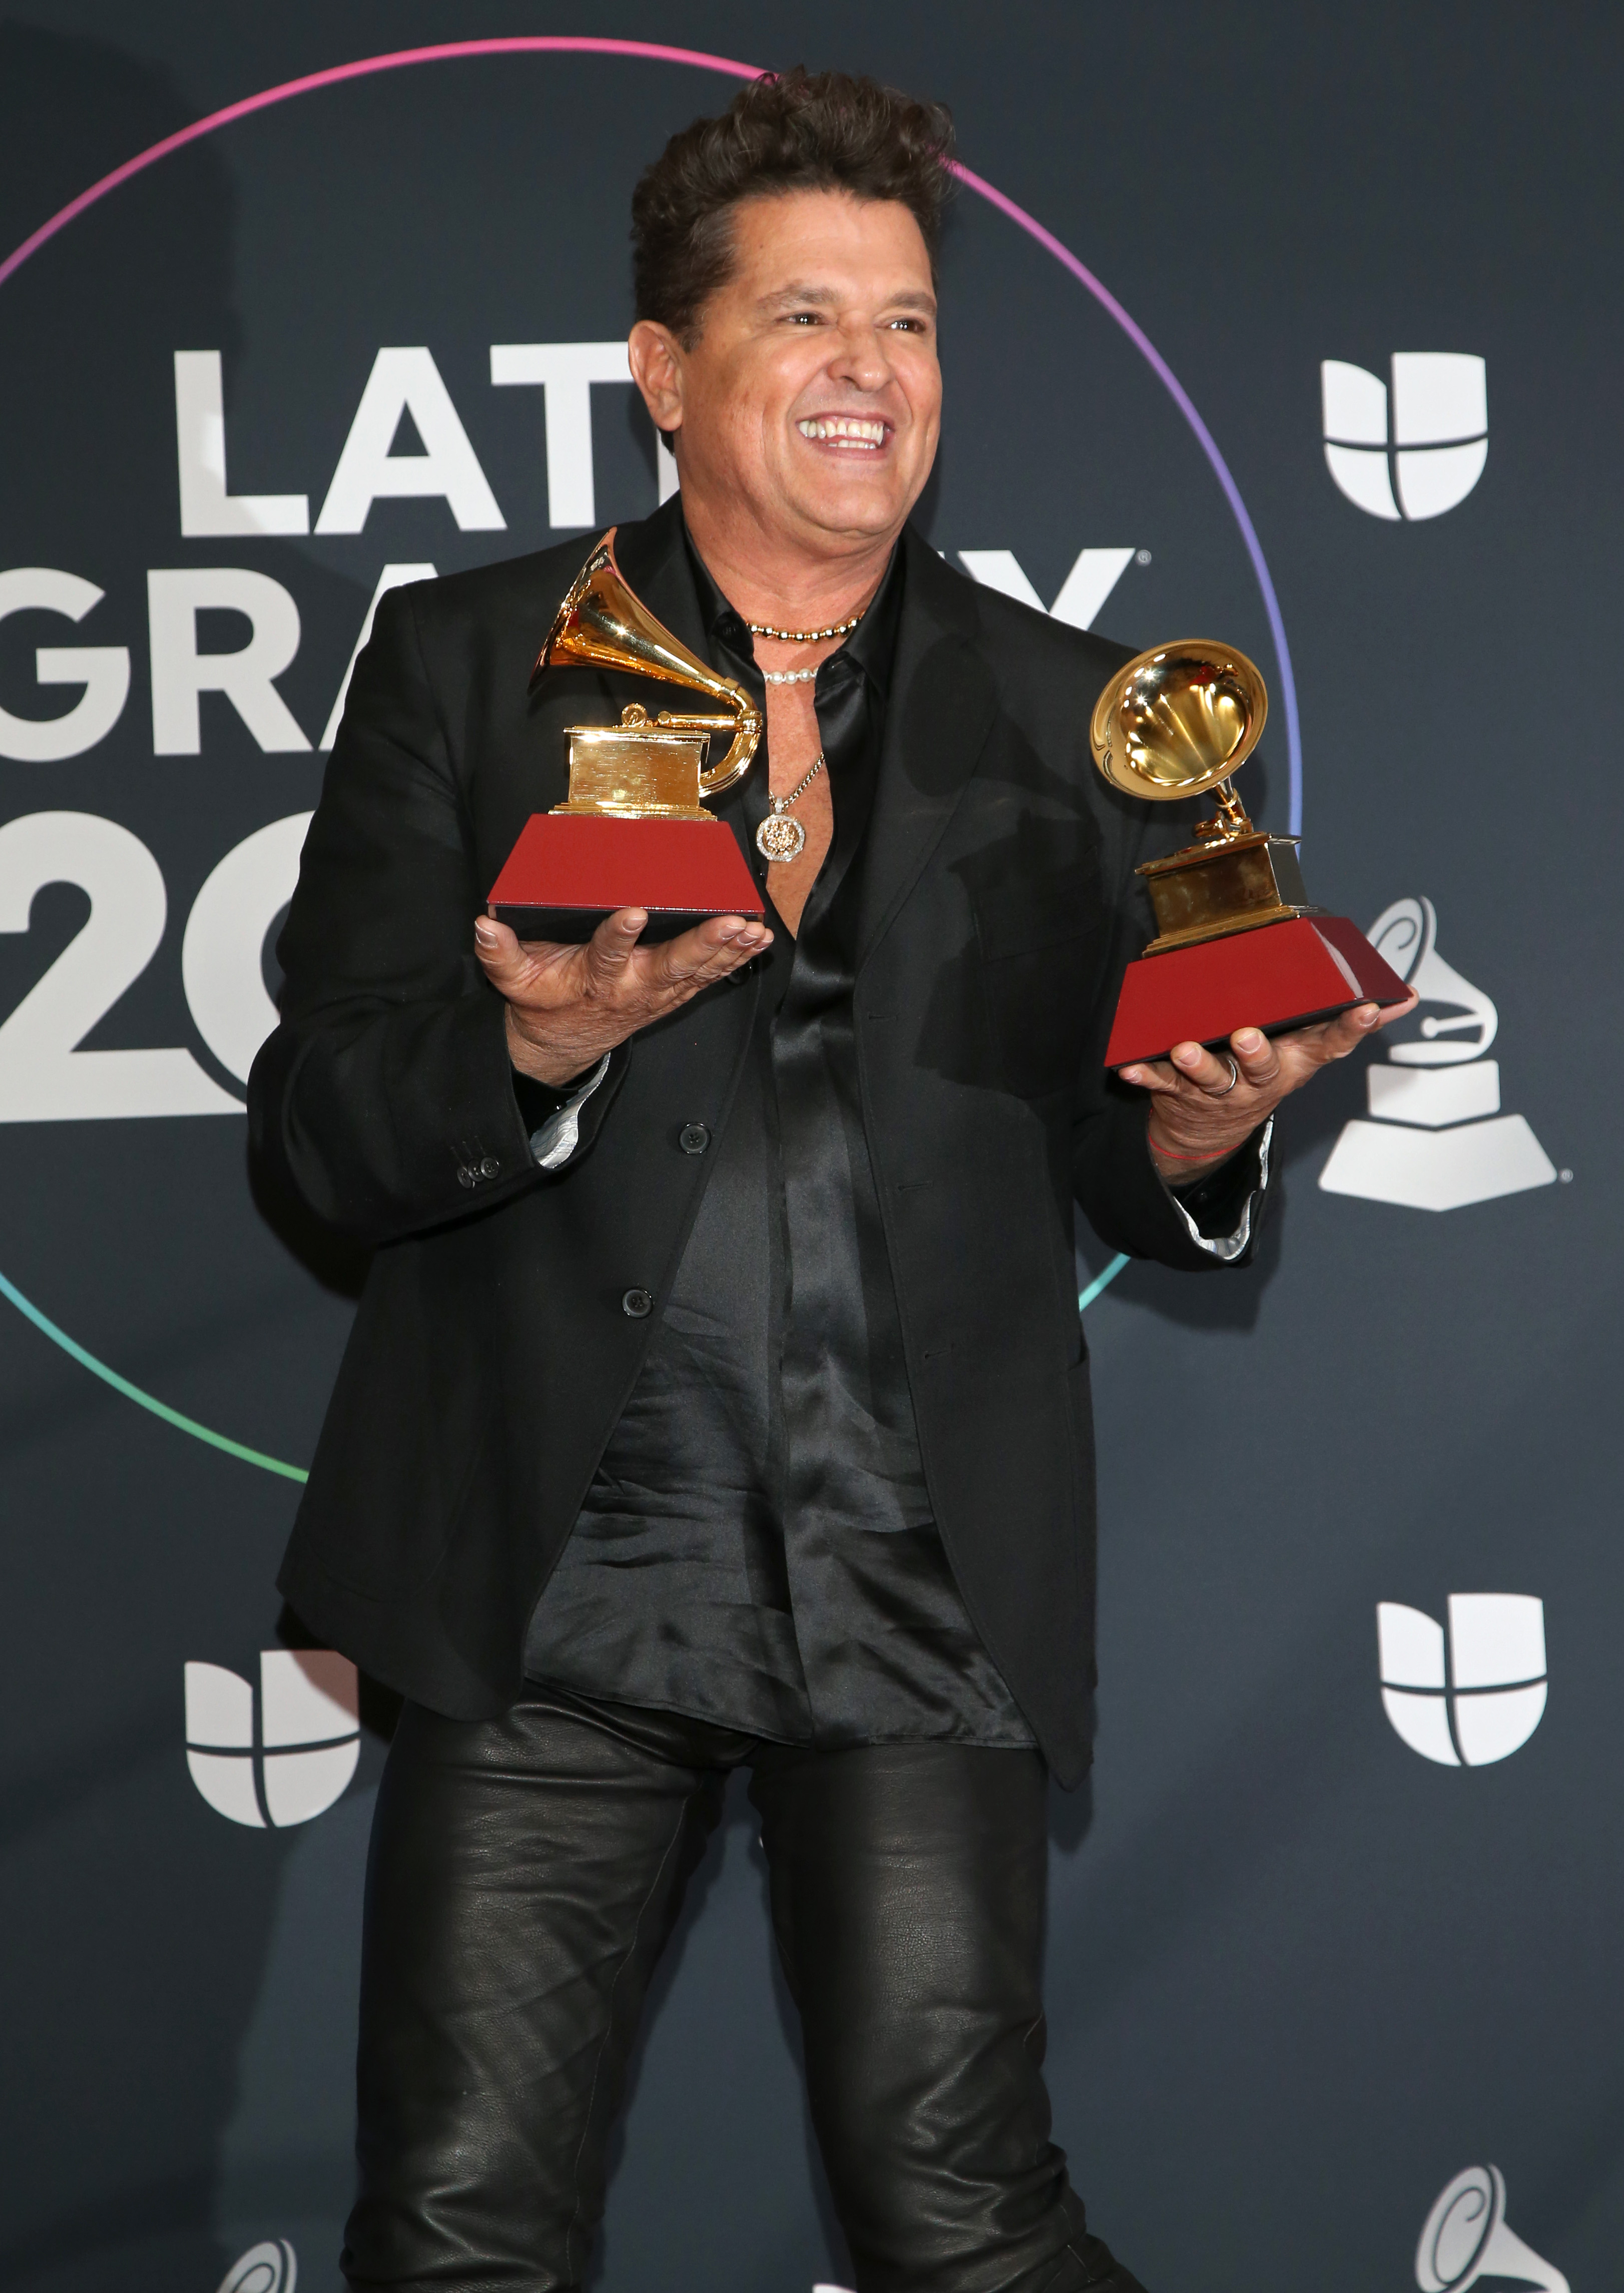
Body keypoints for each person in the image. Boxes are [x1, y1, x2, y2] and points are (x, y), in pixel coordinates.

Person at [250, 67, 1413, 2293]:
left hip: (918, 1571)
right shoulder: (470, 667)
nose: (868, 370)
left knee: (964, 2216)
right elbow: (317, 1127)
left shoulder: (1074, 714)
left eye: (903, 323)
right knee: (464, 2227)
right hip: (550, 1584)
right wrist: (533, 1044)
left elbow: (1116, 1131)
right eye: (802, 319)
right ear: (663, 374)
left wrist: (1190, 1138)